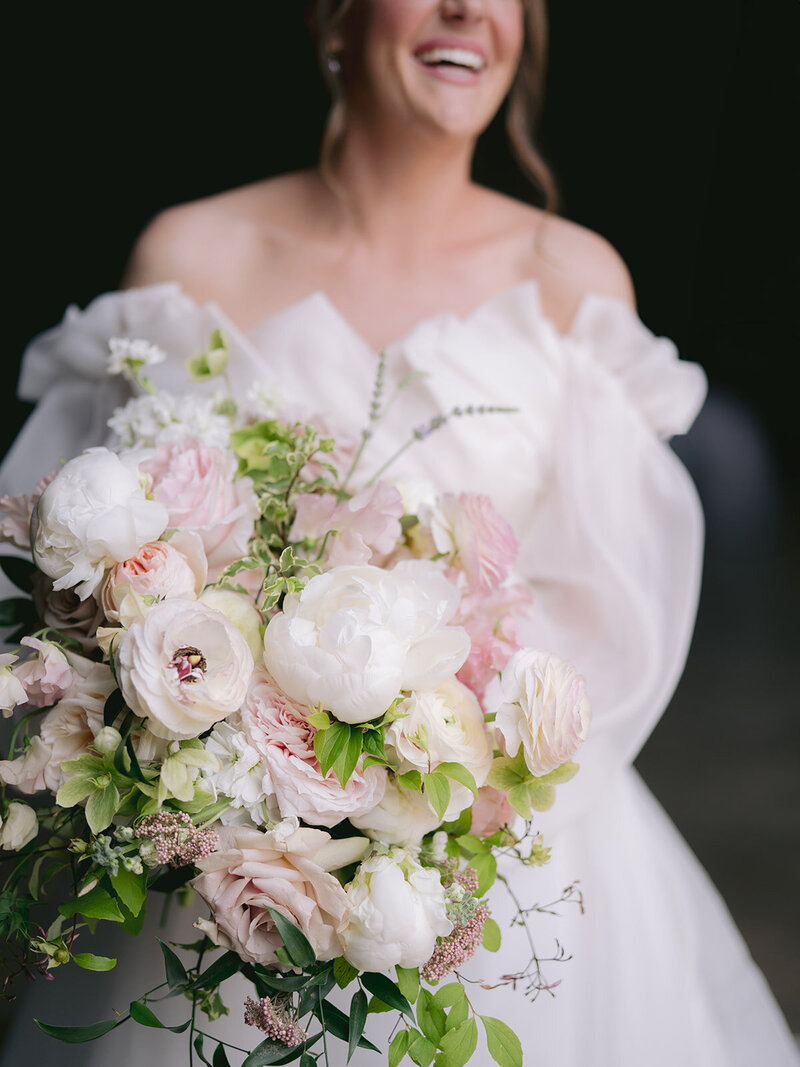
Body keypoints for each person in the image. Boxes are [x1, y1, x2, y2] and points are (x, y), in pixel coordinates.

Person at [1, 1, 797, 1065]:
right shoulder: (191, 253)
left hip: (492, 860)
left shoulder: (571, 279)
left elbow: (614, 624)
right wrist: (215, 759)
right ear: (335, 19)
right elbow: (89, 575)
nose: (469, 7)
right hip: (224, 871)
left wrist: (414, 803)